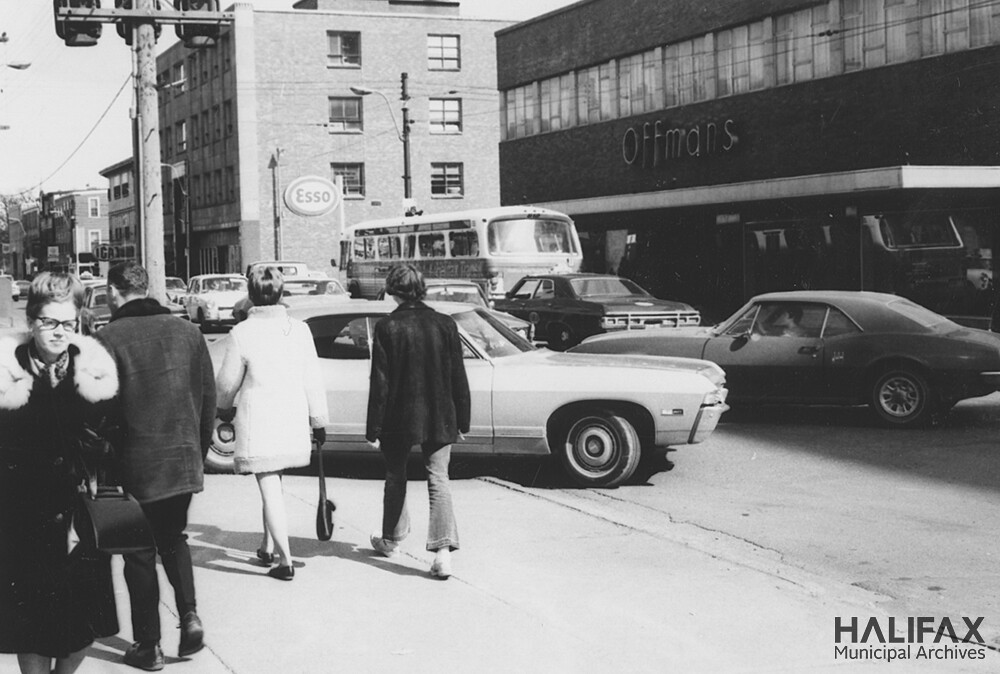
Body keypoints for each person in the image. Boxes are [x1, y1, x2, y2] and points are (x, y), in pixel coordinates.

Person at [97, 262, 216, 672]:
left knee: (138, 554)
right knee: (174, 538)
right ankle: (189, 616)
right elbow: (207, 400)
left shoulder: (107, 338)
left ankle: (148, 646)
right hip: (182, 460)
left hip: (134, 464)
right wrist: (196, 455)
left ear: (115, 292)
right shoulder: (189, 332)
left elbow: (100, 411)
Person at [0, 272, 120, 674]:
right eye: (49, 322)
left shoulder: (96, 373)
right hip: (21, 517)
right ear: (31, 320)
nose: (58, 332)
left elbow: (117, 436)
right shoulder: (6, 373)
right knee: (29, 624)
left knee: (81, 623)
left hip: (78, 517)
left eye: (68, 323)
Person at [215, 266, 328, 582]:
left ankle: (285, 560)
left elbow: (226, 384)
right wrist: (318, 420)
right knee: (274, 485)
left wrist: (223, 408)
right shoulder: (300, 329)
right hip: (291, 417)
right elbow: (313, 379)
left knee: (268, 487)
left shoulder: (242, 333)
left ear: (250, 296)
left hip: (260, 419)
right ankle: (266, 547)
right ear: (281, 294)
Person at [366, 264, 470, 580]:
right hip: (441, 413)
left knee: (396, 476)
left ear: (393, 291)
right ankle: (442, 553)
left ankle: (391, 539)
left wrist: (373, 428)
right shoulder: (445, 324)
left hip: (399, 415)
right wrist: (463, 420)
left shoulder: (386, 327)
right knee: (438, 478)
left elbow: (380, 383)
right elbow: (458, 376)